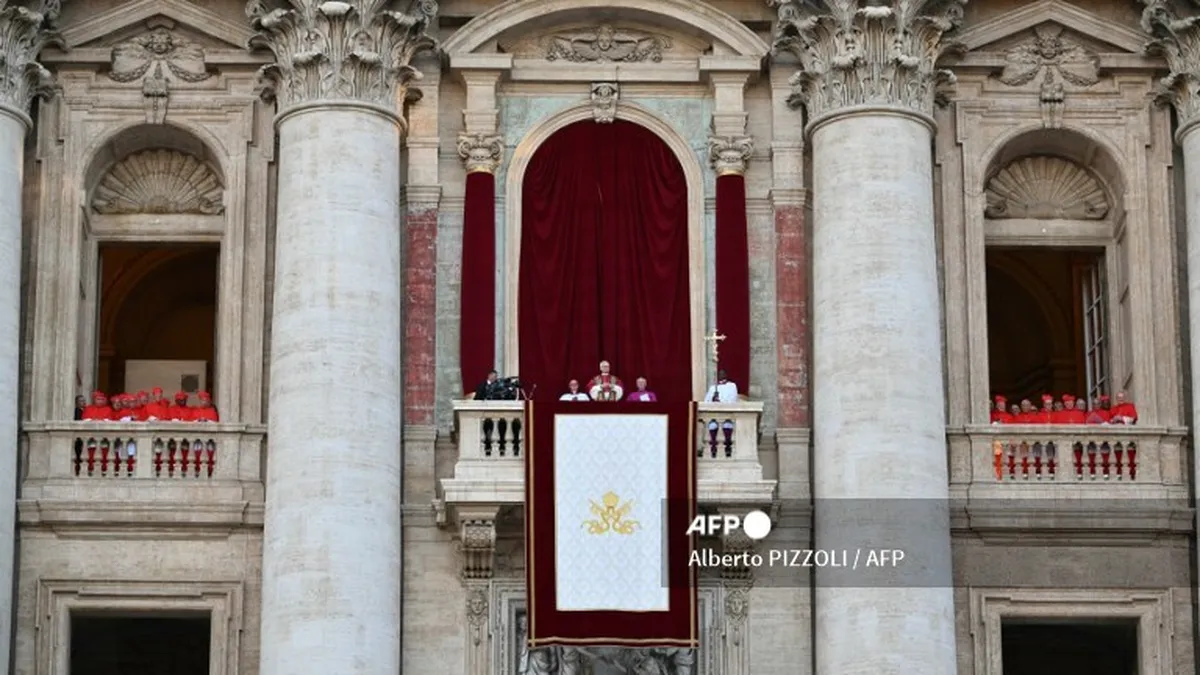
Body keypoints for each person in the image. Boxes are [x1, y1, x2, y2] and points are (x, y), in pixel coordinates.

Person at [703, 370, 738, 453]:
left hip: (727, 414)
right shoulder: (713, 388)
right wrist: (713, 399)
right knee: (712, 425)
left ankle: (728, 446)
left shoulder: (732, 386)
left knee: (727, 425)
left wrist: (720, 401)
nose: (721, 375)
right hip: (714, 415)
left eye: (723, 374)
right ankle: (713, 445)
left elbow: (733, 400)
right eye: (719, 374)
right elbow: (706, 402)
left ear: (726, 375)